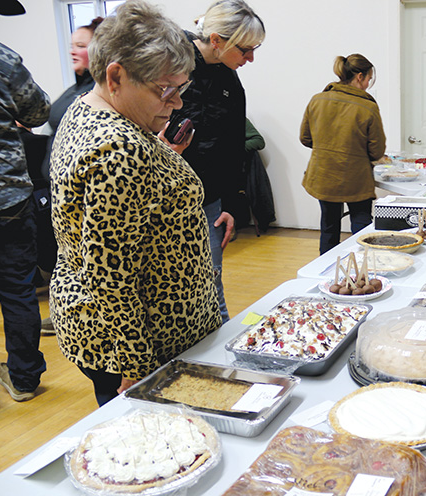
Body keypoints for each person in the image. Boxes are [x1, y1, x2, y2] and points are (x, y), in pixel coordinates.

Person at [49, 0, 221, 406]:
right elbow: (111, 275)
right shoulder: (118, 151)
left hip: (129, 331)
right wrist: (138, 368)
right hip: (142, 344)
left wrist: (161, 160)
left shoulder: (91, 109)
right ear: (116, 76)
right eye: (166, 90)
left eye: (181, 89)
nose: (177, 103)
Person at [169, 0, 265, 323]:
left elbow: (233, 146)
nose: (250, 58)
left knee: (212, 281)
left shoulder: (230, 81)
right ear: (216, 40)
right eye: (245, 49)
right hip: (166, 201)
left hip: (209, 199)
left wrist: (231, 203)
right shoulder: (172, 67)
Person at [0, 0, 51, 401]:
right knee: (17, 289)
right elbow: (38, 111)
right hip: (8, 198)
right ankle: (24, 379)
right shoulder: (3, 60)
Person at [39, 17, 103, 335]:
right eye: (72, 45)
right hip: (53, 188)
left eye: (81, 45)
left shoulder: (98, 92)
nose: (73, 51)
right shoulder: (77, 86)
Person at [300, 54, 387, 255]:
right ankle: (364, 274)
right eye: (368, 79)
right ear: (359, 76)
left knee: (328, 228)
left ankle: (325, 277)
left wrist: (327, 147)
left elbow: (305, 138)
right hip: (355, 179)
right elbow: (377, 151)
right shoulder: (368, 107)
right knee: (362, 229)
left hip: (323, 176)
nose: (368, 84)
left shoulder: (318, 100)